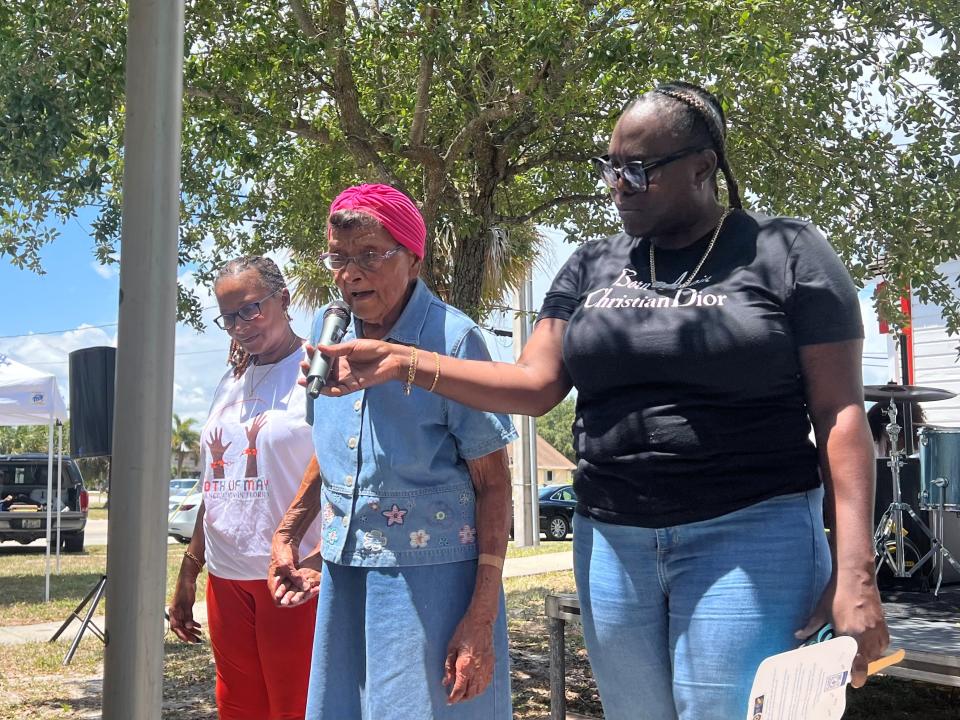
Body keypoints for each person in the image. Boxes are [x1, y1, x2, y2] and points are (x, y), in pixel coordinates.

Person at [307, 82, 891, 719]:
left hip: (749, 530)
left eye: (639, 169)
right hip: (613, 541)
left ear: (703, 166)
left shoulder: (787, 253)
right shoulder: (592, 266)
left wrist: (855, 568)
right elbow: (533, 387)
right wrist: (405, 362)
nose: (618, 183)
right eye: (609, 167)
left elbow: (839, 414)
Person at [268, 184, 517, 720]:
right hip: (346, 574)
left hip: (434, 580)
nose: (348, 273)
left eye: (368, 257)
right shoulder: (327, 331)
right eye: (338, 257)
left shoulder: (452, 340)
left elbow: (494, 484)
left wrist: (479, 620)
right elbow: (330, 444)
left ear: (412, 257)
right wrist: (292, 531)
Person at [167, 256, 322, 720]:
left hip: (291, 578)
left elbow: (344, 470)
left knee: (295, 709)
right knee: (237, 708)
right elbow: (215, 483)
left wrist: (315, 559)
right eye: (229, 316)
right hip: (226, 576)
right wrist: (190, 570)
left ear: (284, 300)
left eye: (251, 309)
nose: (239, 325)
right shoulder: (229, 380)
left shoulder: (318, 370)